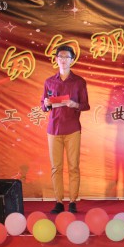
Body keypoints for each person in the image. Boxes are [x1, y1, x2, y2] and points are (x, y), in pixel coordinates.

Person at [41, 45, 90, 213]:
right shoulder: (49, 82)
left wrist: (74, 104)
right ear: (56, 59)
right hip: (53, 129)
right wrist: (46, 104)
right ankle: (59, 201)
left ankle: (73, 201)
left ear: (72, 60)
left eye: (66, 57)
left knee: (73, 167)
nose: (63, 60)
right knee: (56, 167)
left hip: (72, 129)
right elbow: (43, 105)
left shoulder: (79, 82)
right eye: (60, 57)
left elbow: (85, 105)